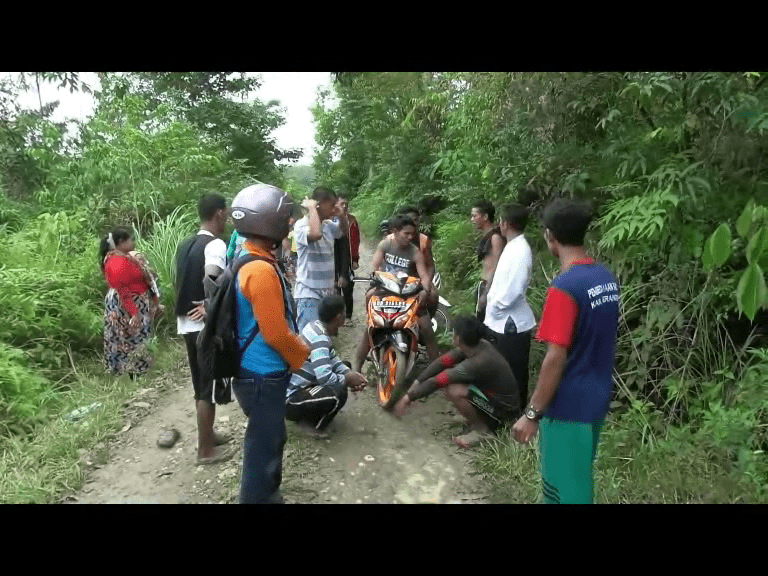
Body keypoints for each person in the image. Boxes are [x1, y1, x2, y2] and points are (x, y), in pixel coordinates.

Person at [512, 198, 620, 505]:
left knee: (567, 492)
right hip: (596, 398)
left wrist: (532, 413)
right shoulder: (605, 279)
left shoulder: (565, 287)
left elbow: (555, 357)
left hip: (567, 407)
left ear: (550, 236)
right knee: (567, 485)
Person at [229, 183, 311, 504]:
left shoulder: (246, 255)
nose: (289, 224)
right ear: (270, 223)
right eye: (285, 218)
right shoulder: (261, 270)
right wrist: (302, 354)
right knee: (262, 450)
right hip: (263, 374)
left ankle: (269, 494)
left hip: (253, 370)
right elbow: (275, 333)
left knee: (272, 438)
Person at [392, 316, 520, 449]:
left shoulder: (478, 362)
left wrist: (407, 399)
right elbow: (442, 362)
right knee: (451, 387)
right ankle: (477, 418)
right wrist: (417, 383)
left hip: (503, 412)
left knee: (454, 390)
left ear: (458, 338)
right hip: (491, 398)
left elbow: (437, 381)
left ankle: (482, 430)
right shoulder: (476, 346)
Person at [174, 193, 232, 465]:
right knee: (207, 387)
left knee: (200, 382)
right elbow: (212, 275)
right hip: (204, 326)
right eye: (226, 213)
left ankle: (208, 435)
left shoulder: (185, 244)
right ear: (219, 213)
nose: (228, 218)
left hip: (186, 322)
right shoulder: (215, 244)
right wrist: (211, 305)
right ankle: (205, 451)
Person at [352, 214, 439, 373]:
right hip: (386, 291)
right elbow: (375, 267)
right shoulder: (385, 245)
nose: (410, 237)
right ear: (395, 231)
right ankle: (357, 366)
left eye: (412, 234)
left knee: (426, 328)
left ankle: (435, 370)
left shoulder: (415, 252)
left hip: (409, 294)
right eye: (406, 233)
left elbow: (425, 277)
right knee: (371, 323)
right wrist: (378, 278)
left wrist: (424, 290)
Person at [285, 295, 367, 438]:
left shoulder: (315, 326)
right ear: (338, 317)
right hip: (292, 399)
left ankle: (314, 410)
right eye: (344, 315)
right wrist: (347, 379)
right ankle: (311, 425)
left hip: (299, 386)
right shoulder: (320, 339)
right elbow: (325, 377)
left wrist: (352, 375)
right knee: (339, 392)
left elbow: (333, 360)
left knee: (344, 366)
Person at [483, 203, 536, 411]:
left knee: (512, 373)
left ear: (506, 224)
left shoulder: (520, 251)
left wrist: (495, 307)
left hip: (509, 322)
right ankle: (502, 412)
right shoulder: (513, 246)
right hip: (501, 320)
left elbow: (513, 290)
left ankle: (512, 415)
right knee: (503, 371)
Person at [101, 226, 162, 379]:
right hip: (127, 305)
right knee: (130, 338)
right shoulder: (116, 262)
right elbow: (123, 290)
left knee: (133, 337)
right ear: (121, 242)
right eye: (130, 240)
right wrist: (134, 313)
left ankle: (138, 370)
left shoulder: (124, 258)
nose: (132, 242)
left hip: (133, 302)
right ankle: (134, 372)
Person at [293, 186, 348, 332]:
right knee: (309, 339)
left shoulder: (328, 225)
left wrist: (342, 216)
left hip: (326, 293)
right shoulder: (301, 225)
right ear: (319, 204)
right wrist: (312, 208)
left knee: (323, 337)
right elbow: (316, 234)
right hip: (308, 293)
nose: (334, 208)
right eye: (331, 205)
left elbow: (343, 232)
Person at [393, 205, 437, 316]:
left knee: (433, 296)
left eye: (416, 220)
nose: (414, 223)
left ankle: (428, 319)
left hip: (418, 280)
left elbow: (430, 266)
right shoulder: (390, 240)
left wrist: (426, 285)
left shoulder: (423, 240)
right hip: (394, 280)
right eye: (410, 220)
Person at [471, 199, 506, 322]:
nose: (472, 219)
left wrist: (486, 293)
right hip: (484, 285)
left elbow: (497, 266)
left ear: (485, 216)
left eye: (475, 216)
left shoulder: (495, 237)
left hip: (491, 287)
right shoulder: (489, 236)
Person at [334, 194, 359, 321]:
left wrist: (355, 259)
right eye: (341, 203)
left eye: (346, 204)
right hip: (333, 260)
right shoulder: (330, 221)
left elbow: (355, 241)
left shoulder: (352, 220)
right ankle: (336, 316)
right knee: (335, 289)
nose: (345, 206)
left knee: (348, 288)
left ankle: (348, 315)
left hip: (347, 259)